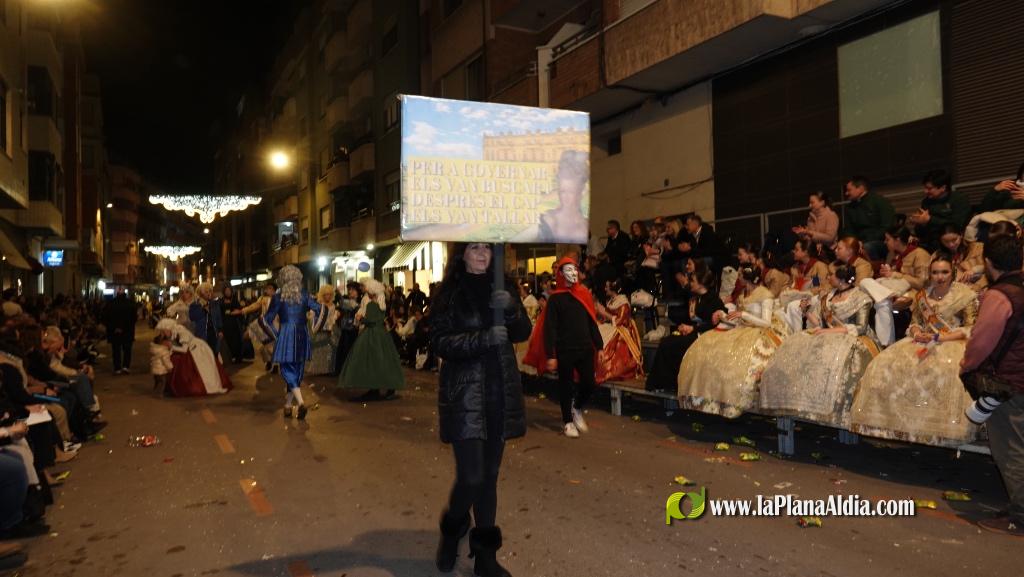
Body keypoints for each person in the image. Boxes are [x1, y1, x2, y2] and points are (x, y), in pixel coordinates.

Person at [429, 241, 531, 576]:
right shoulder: (449, 294)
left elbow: (523, 331)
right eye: (475, 248)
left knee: (488, 478)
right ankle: (453, 528)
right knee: (471, 477)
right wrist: (482, 338)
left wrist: (511, 308)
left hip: (499, 391)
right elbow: (440, 342)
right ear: (462, 254)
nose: (482, 254)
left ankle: (485, 558)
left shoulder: (503, 287)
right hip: (465, 395)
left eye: (487, 248)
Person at [850, 255, 978, 446]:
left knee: (945, 370)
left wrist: (939, 338)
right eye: (935, 272)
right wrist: (917, 333)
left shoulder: (965, 295)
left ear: (952, 273)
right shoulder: (922, 296)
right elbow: (915, 322)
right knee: (886, 364)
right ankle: (894, 423)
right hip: (922, 341)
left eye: (944, 272)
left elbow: (971, 328)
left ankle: (938, 428)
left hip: (952, 342)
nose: (940, 277)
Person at [959, 235, 1024, 537]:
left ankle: (1020, 517)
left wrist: (967, 366)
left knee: (1012, 450)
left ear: (987, 262)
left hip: (1009, 383)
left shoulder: (1000, 295)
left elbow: (982, 340)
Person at [760, 264, 879, 428]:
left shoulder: (860, 298)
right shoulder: (828, 297)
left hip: (852, 338)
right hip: (828, 335)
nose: (828, 277)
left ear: (841, 278)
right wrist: (807, 312)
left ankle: (835, 410)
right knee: (799, 345)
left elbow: (861, 327)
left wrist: (830, 331)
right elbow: (821, 323)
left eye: (831, 274)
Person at [677, 266, 788, 418]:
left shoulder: (765, 294)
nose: (737, 278)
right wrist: (723, 316)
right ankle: (709, 399)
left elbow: (766, 322)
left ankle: (735, 401)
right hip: (742, 330)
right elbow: (738, 320)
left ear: (746, 278)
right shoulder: (743, 295)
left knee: (741, 359)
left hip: (761, 332)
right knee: (710, 345)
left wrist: (743, 315)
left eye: (740, 275)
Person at [524, 257, 603, 438]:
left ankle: (576, 407)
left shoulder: (584, 294)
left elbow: (592, 322)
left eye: (575, 269)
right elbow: (550, 328)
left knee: (589, 383)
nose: (573, 273)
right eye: (568, 269)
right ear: (560, 273)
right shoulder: (555, 299)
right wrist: (551, 355)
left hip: (585, 347)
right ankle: (567, 421)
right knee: (565, 385)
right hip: (565, 349)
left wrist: (599, 346)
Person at [645, 267, 723, 391]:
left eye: (693, 281)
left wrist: (693, 328)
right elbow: (690, 318)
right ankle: (664, 383)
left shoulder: (714, 300)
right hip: (694, 331)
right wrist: (684, 326)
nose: (690, 283)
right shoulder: (695, 298)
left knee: (673, 345)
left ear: (701, 283)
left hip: (705, 335)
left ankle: (671, 384)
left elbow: (713, 324)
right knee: (667, 341)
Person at [264, 265, 322, 420]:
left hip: (286, 335)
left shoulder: (278, 297)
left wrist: (276, 335)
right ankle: (288, 405)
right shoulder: (304, 295)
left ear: (283, 279)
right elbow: (321, 309)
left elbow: (266, 320)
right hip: (302, 334)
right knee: (297, 371)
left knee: (287, 370)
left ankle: (301, 403)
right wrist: (314, 327)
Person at [337, 278, 405, 402]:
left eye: (366, 289)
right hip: (379, 334)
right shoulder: (379, 303)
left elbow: (372, 320)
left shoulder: (373, 304)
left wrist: (361, 319)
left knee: (373, 361)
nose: (364, 290)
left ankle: (377, 388)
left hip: (372, 334)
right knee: (381, 361)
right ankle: (379, 388)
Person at [155, 319, 231, 397]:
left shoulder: (181, 332)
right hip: (191, 349)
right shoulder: (174, 332)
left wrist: (171, 347)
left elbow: (184, 349)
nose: (163, 334)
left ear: (168, 328)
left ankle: (206, 386)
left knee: (203, 370)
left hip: (197, 349)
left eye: (164, 331)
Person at [907, 169, 970, 251]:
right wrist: (920, 223)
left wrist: (930, 220)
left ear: (943, 188)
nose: (925, 191)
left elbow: (957, 224)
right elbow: (920, 232)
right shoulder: (926, 202)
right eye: (925, 188)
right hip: (932, 244)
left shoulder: (958, 199)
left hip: (954, 243)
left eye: (929, 188)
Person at [594, 280, 643, 384]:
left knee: (609, 339)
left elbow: (620, 321)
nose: (605, 289)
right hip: (612, 326)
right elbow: (607, 318)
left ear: (613, 288)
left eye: (607, 287)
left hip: (622, 329)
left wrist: (604, 312)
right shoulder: (612, 301)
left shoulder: (623, 302)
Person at [537, 150, 589, 243]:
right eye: (562, 191)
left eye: (571, 192)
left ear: (583, 191)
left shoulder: (586, 224)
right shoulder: (550, 221)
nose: (565, 198)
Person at [840, 176, 894, 261]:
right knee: (841, 250)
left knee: (867, 247)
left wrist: (864, 241)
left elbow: (887, 226)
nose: (846, 193)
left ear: (861, 188)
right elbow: (848, 230)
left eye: (849, 190)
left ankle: (875, 267)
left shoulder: (879, 201)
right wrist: (854, 242)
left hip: (880, 241)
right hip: (858, 242)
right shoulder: (849, 208)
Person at [233, 283, 277, 371]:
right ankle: (269, 361)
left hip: (275, 325)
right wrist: (242, 310)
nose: (269, 290)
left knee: (272, 345)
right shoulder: (263, 298)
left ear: (275, 290)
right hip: (263, 324)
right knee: (264, 345)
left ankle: (275, 364)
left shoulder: (280, 299)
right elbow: (254, 306)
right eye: (267, 288)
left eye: (271, 288)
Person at [935, 224, 986, 291]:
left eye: (954, 240)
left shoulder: (977, 247)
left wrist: (974, 270)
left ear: (961, 235)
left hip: (981, 287)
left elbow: (990, 266)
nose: (951, 244)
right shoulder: (937, 255)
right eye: (946, 242)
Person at [306, 284, 339, 376]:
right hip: (319, 330)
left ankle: (326, 369)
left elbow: (332, 317)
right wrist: (311, 317)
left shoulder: (333, 305)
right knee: (318, 351)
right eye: (325, 294)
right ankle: (317, 369)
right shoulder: (319, 305)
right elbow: (312, 316)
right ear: (322, 295)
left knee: (327, 351)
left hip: (329, 330)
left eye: (329, 294)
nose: (327, 296)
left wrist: (335, 317)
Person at [103, 288, 136, 375]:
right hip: (128, 331)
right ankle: (126, 366)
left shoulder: (110, 304)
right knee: (127, 350)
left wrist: (115, 327)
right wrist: (124, 327)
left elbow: (105, 318)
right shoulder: (130, 303)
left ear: (116, 294)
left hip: (114, 332)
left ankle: (117, 368)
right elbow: (134, 318)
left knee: (116, 350)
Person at [189, 283, 223, 358]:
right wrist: (203, 309)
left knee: (214, 353)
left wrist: (220, 330)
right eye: (206, 292)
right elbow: (192, 317)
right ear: (201, 293)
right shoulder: (195, 304)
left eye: (210, 291)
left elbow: (218, 317)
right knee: (204, 354)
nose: (209, 293)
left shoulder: (214, 304)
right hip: (202, 333)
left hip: (214, 332)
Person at [219, 285, 244, 364]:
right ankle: (229, 357)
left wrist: (234, 312)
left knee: (236, 340)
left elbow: (240, 310)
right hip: (225, 323)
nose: (228, 292)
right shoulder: (221, 300)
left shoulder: (235, 300)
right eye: (226, 291)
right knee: (227, 340)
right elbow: (219, 311)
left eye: (229, 290)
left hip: (234, 323)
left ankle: (238, 357)